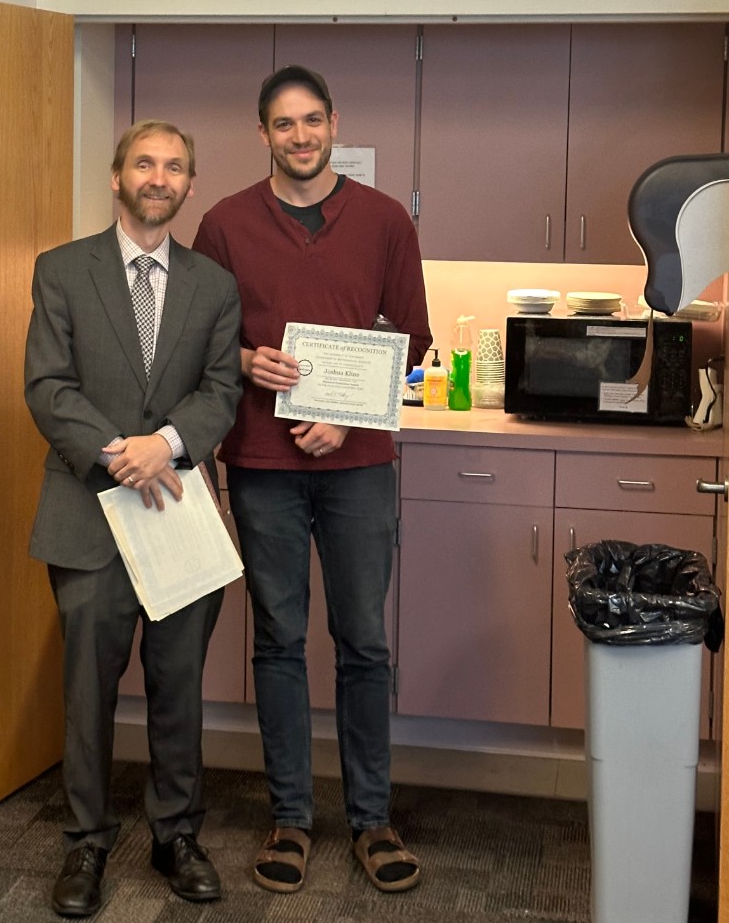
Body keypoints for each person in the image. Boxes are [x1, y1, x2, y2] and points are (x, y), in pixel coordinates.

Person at [192, 66, 432, 896]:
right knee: (279, 643)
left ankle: (373, 819)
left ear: (335, 123)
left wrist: (351, 417)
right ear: (262, 133)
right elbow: (202, 340)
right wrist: (242, 359)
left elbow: (412, 339)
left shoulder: (384, 220)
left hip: (359, 467)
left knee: (364, 644)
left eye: (312, 121)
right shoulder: (224, 225)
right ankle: (290, 816)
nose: (300, 137)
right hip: (262, 466)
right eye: (283, 125)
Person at [25, 120, 242, 918]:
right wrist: (126, 454)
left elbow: (222, 389)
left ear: (190, 185)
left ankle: (176, 834)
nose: (159, 177)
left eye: (175, 167)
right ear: (116, 178)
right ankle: (86, 841)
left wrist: (168, 445)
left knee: (177, 683)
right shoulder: (61, 271)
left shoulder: (214, 285)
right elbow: (48, 385)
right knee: (88, 687)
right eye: (144, 163)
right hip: (90, 509)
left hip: (179, 510)